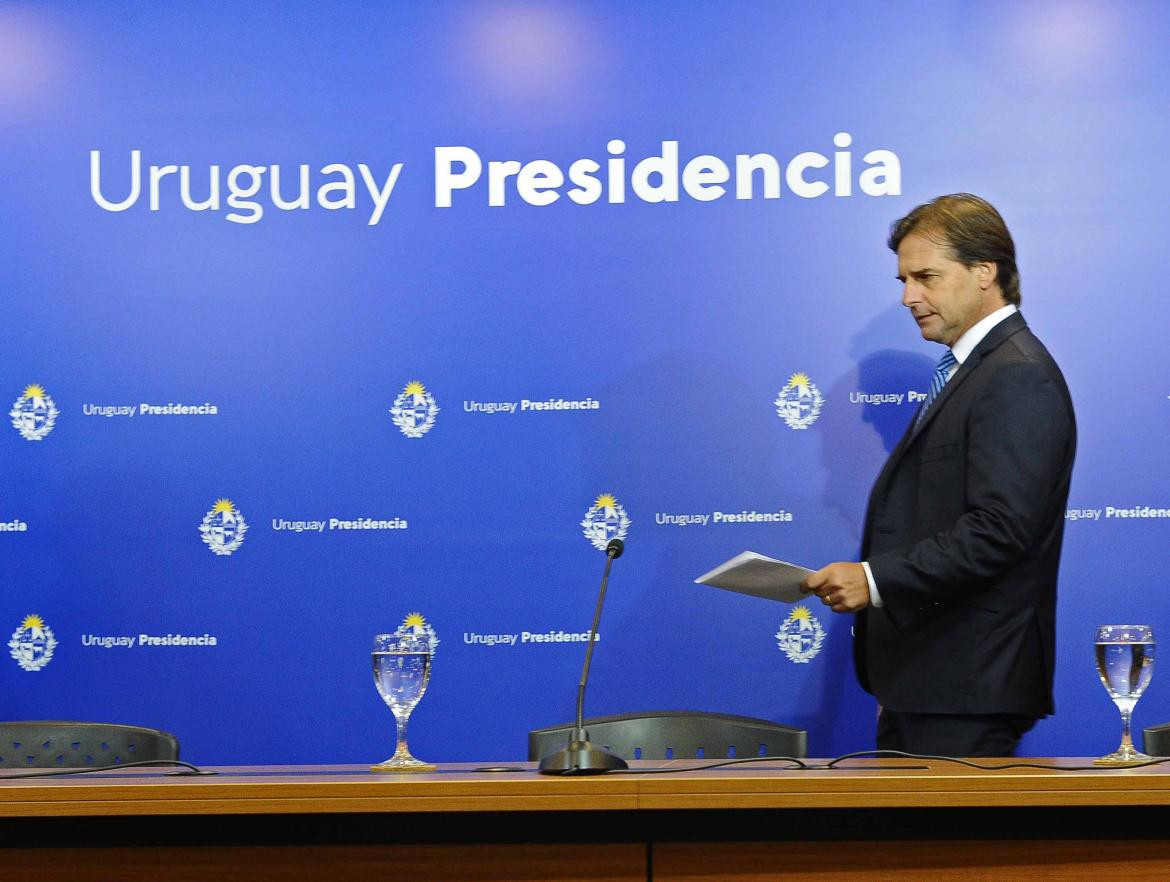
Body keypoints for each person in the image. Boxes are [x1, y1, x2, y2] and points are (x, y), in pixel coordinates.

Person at [802, 193, 1076, 757]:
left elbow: (1001, 529)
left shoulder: (1016, 377)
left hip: (968, 687)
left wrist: (873, 580)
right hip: (931, 685)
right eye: (904, 280)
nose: (909, 297)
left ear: (984, 272)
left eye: (925, 276)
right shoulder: (974, 371)